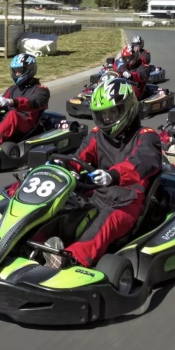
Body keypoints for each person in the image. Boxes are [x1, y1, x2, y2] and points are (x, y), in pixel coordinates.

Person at [44, 78, 163, 268]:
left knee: (104, 222)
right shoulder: (98, 135)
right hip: (97, 194)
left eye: (113, 111)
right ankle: (31, 243)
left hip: (127, 203)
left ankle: (69, 260)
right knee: (63, 207)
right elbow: (80, 157)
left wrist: (113, 175)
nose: (107, 118)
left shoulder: (146, 136)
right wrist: (61, 167)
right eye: (103, 114)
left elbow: (144, 162)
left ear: (127, 108)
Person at [0, 53, 50, 147]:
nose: (17, 74)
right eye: (15, 71)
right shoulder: (13, 89)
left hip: (27, 122)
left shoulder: (41, 89)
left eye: (20, 70)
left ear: (29, 69)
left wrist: (12, 102)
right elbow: (0, 102)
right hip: (9, 119)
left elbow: (33, 102)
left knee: (13, 114)